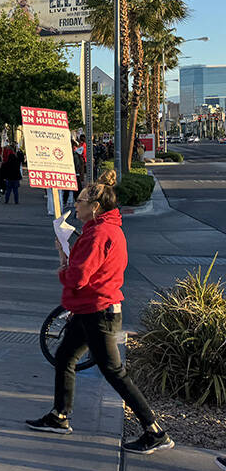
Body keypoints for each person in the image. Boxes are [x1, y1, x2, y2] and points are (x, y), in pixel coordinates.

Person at [26, 170, 174, 455]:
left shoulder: (98, 234)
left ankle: (154, 431)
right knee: (65, 357)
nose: (76, 206)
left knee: (114, 372)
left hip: (99, 312)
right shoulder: (104, 229)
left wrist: (63, 265)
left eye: (80, 202)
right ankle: (59, 416)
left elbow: (79, 277)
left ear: (94, 206)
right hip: (91, 310)